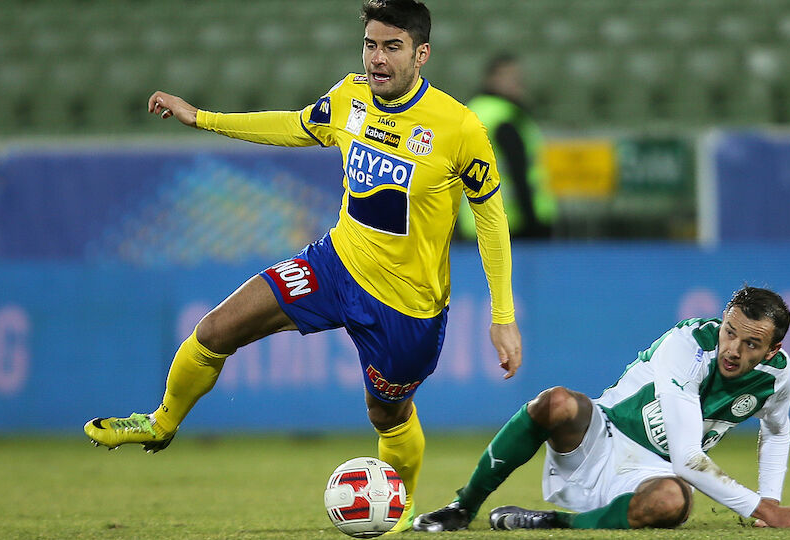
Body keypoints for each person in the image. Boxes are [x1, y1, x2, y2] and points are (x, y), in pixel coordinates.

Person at [82, 0, 522, 534]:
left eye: (392, 47)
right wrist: (201, 117)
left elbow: (492, 221)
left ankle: (397, 503)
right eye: (370, 45)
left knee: (387, 414)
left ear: (421, 54)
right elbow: (291, 126)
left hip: (407, 307)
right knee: (217, 328)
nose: (376, 59)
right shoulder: (349, 97)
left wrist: (503, 314)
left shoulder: (459, 127)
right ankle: (160, 422)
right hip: (336, 264)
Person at [413, 287, 790, 532]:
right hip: (602, 436)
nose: (733, 350)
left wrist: (770, 499)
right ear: (722, 321)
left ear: (774, 349)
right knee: (556, 401)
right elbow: (689, 458)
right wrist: (766, 509)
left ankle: (550, 524)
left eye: (751, 344)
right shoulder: (687, 346)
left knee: (674, 502)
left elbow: (776, 430)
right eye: (730, 333)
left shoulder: (778, 378)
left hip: (654, 475)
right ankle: (463, 506)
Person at [456, 54, 556, 240]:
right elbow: (518, 172)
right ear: (491, 79)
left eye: (519, 77)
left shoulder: (474, 111)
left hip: (477, 222)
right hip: (513, 224)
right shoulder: (505, 117)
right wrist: (533, 221)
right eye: (510, 77)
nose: (517, 83)